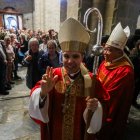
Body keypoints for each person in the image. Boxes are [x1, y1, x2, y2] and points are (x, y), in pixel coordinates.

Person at [29, 18, 109, 140]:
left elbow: (105, 104)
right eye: (66, 56)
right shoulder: (53, 75)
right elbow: (36, 96)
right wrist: (43, 93)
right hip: (55, 132)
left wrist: (96, 107)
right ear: (62, 56)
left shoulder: (91, 80)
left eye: (75, 56)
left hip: (78, 134)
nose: (70, 61)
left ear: (82, 57)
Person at [96, 23, 134, 140]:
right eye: (105, 49)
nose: (105, 53)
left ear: (119, 52)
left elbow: (112, 96)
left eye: (109, 50)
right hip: (97, 103)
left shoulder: (125, 71)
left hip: (111, 109)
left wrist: (94, 92)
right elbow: (98, 79)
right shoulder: (105, 63)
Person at [129, 39, 140, 108]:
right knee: (133, 88)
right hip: (135, 72)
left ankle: (133, 100)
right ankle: (131, 100)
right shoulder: (135, 51)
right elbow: (132, 62)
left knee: (137, 88)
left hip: (139, 74)